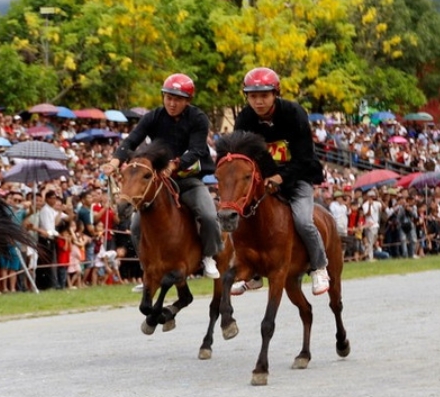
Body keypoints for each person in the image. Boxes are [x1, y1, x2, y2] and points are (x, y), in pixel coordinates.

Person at [103, 73, 222, 280]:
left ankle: (209, 256)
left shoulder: (199, 118)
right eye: (168, 97)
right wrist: (114, 161)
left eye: (177, 99)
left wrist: (175, 164)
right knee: (135, 225)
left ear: (187, 100)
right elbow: (131, 141)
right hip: (159, 183)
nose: (172, 103)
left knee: (210, 216)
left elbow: (196, 150)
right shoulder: (153, 116)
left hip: (189, 180)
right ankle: (148, 269)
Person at [233, 67, 330, 295]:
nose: (258, 101)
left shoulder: (294, 113)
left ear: (275, 94)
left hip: (298, 177)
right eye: (253, 96)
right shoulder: (244, 119)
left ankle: (319, 267)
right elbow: (241, 156)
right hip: (263, 181)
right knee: (241, 219)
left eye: (264, 96)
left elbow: (305, 157)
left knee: (304, 221)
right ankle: (251, 274)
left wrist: (281, 177)